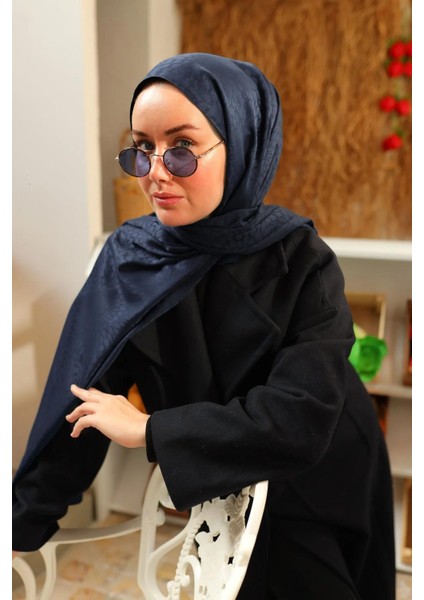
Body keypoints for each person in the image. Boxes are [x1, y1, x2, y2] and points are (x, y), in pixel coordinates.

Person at [12, 52, 395, 599]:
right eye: (142, 148)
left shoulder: (301, 259)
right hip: (219, 476)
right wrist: (20, 524)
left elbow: (301, 419)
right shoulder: (129, 260)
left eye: (182, 148)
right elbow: (80, 406)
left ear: (240, 144)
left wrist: (150, 431)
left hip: (318, 479)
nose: (156, 172)